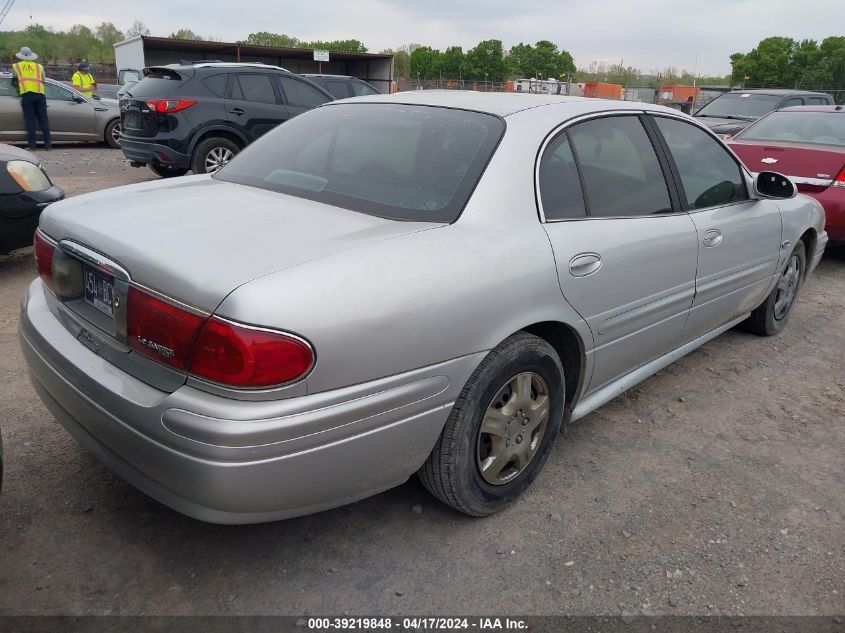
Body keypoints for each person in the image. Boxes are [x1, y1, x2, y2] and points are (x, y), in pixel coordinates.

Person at [10, 46, 51, 150]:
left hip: (27, 95)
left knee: (30, 121)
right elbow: (44, 80)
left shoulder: (16, 66)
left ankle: (32, 146)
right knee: (44, 121)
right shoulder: (39, 67)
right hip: (40, 95)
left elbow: (14, 80)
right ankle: (48, 145)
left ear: (21, 55)